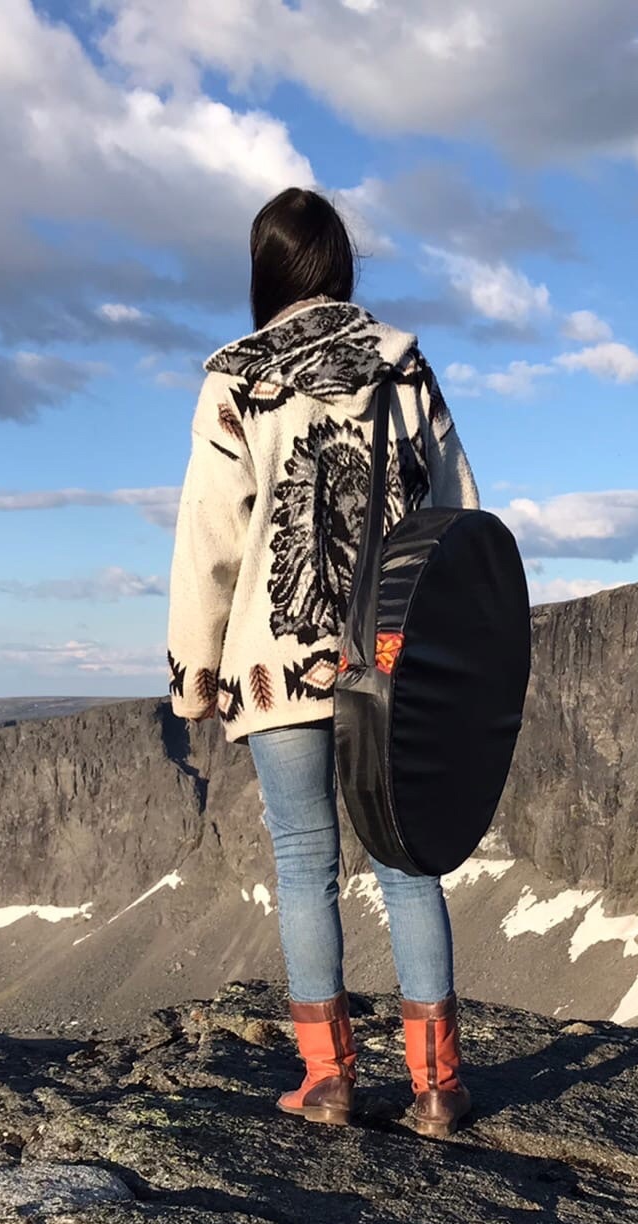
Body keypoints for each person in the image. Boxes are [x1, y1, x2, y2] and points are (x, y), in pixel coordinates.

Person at [165, 187, 481, 1136]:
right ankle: (436, 1088)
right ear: (341, 264)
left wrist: (195, 671)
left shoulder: (236, 379)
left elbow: (209, 537)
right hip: (390, 650)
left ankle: (329, 1081)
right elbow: (457, 508)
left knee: (305, 861)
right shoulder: (402, 364)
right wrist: (462, 650)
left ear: (264, 271)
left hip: (276, 659)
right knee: (406, 859)